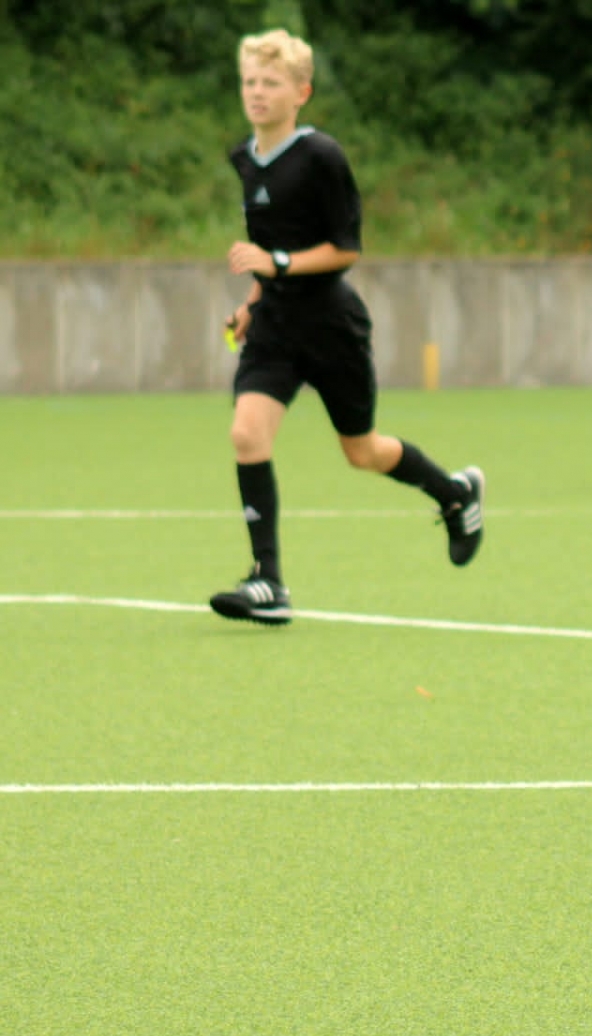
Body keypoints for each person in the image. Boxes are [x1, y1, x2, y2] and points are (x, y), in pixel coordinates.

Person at [212, 28, 483, 626]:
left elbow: (345, 249)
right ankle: (268, 581)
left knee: (362, 451)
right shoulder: (243, 158)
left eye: (271, 82)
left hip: (332, 326)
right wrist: (252, 301)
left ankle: (454, 493)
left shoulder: (322, 157)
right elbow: (269, 245)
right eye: (250, 81)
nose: (257, 92)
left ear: (301, 93)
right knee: (247, 435)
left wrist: (277, 264)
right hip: (275, 325)